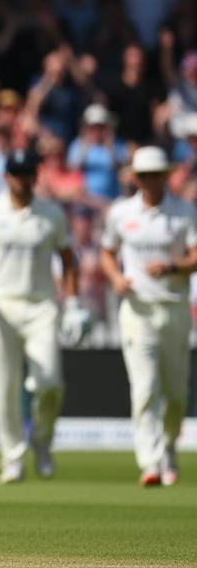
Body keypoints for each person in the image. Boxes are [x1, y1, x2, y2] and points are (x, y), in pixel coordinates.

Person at [0, 150, 91, 484]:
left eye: (27, 172)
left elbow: (69, 260)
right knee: (4, 387)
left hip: (41, 306)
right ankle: (13, 457)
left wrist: (74, 304)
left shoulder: (51, 213)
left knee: (48, 383)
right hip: (0, 307)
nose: (21, 178)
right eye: (15, 172)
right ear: (6, 177)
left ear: (35, 175)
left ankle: (42, 442)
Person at [99, 147, 197, 486]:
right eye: (143, 176)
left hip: (173, 308)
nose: (149, 181)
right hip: (137, 311)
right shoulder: (120, 212)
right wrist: (115, 278)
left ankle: (168, 447)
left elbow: (196, 254)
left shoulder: (184, 212)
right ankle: (151, 462)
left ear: (165, 176)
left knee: (176, 394)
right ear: (135, 178)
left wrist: (173, 266)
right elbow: (107, 252)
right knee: (144, 389)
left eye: (154, 175)